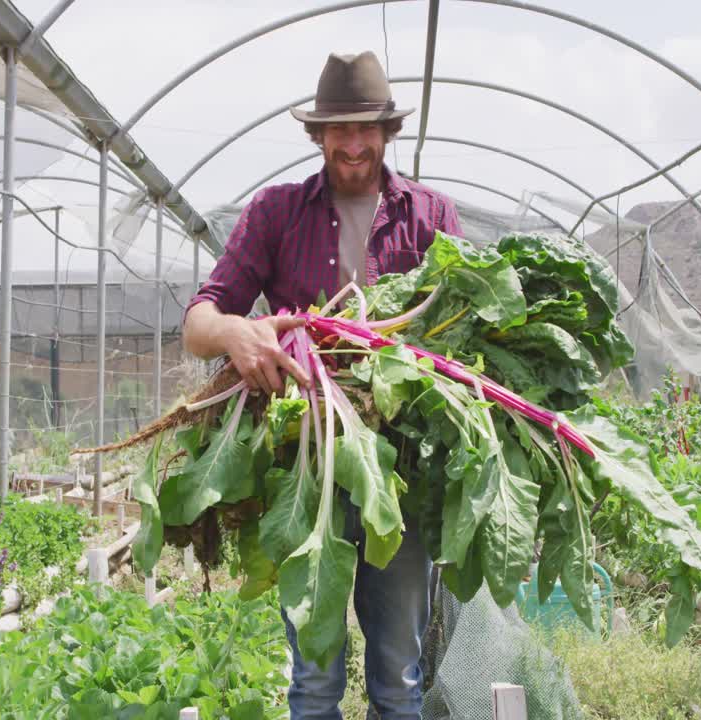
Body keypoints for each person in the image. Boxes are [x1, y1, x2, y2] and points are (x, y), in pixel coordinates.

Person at [183, 51, 463, 719]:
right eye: (339, 129)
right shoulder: (277, 213)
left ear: (387, 131)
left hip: (401, 475)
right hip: (304, 472)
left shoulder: (431, 217)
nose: (355, 143)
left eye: (367, 128)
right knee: (313, 684)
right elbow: (199, 321)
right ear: (318, 134)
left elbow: (464, 338)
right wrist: (236, 335)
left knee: (399, 676)